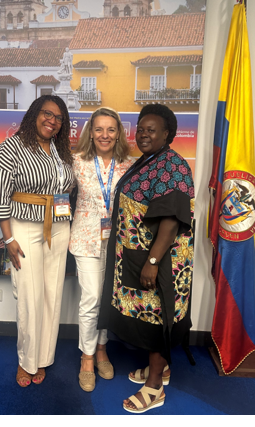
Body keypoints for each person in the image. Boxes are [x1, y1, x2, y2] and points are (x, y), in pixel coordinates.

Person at [97, 104, 195, 413]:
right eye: (140, 129)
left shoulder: (173, 166)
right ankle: (161, 369)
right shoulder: (150, 160)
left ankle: (154, 388)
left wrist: (153, 262)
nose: (143, 134)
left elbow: (170, 220)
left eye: (151, 130)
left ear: (168, 134)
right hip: (140, 255)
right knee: (149, 315)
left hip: (162, 260)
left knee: (158, 318)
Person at [0, 95, 76, 388]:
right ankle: (26, 360)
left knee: (52, 294)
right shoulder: (10, 148)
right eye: (47, 114)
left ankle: (43, 357)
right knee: (29, 294)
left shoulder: (61, 152)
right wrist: (8, 237)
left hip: (59, 225)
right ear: (34, 114)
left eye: (59, 118)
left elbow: (67, 189)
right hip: (24, 226)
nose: (52, 121)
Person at [69, 107, 135, 392]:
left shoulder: (129, 164)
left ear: (119, 132)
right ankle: (86, 358)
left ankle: (101, 350)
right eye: (99, 129)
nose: (105, 135)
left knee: (108, 297)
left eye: (111, 129)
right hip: (85, 237)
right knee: (92, 297)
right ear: (90, 132)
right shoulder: (75, 162)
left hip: (118, 240)